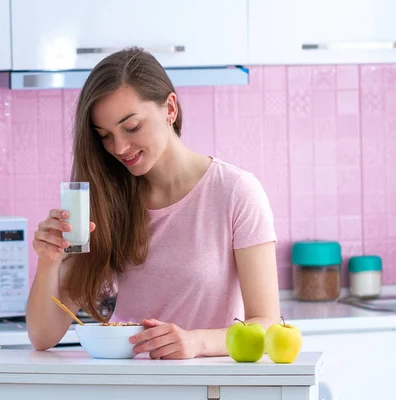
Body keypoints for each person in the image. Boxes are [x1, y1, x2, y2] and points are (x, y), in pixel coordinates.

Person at [26, 46, 280, 360]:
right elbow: (42, 336)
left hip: (210, 388)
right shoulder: (103, 202)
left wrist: (195, 342)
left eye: (131, 127)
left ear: (170, 108)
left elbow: (268, 324)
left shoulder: (235, 192)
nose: (119, 147)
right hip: (130, 388)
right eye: (105, 135)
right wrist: (48, 262)